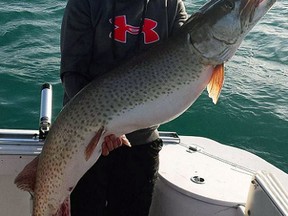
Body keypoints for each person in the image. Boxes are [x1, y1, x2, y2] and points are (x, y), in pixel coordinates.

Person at [60, 0, 188, 215]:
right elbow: (72, 72)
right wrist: (103, 128)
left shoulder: (171, 6)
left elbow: (189, 54)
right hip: (84, 142)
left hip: (140, 143)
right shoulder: (85, 4)